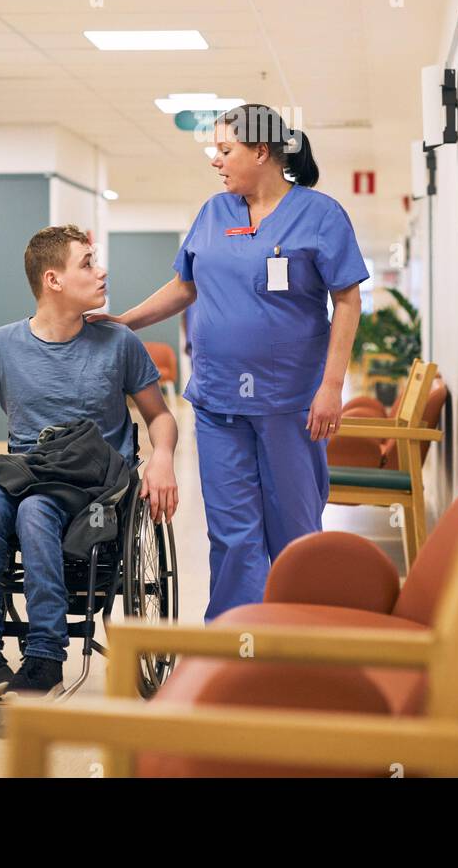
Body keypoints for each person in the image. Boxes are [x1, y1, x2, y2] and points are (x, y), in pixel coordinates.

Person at [90, 104, 368, 622]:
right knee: (232, 530)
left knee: (295, 529)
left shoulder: (321, 214)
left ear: (261, 151)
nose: (216, 161)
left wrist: (332, 387)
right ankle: (234, 640)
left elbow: (347, 302)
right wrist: (125, 322)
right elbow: (185, 286)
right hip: (218, 401)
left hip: (292, 403)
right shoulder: (214, 213)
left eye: (225, 150)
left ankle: (297, 635)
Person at [0, 224, 179, 699]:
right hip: (29, 475)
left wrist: (162, 458)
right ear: (53, 280)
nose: (101, 272)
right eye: (87, 263)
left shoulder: (120, 343)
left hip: (99, 490)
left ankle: (45, 654)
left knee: (34, 511)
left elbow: (159, 416)